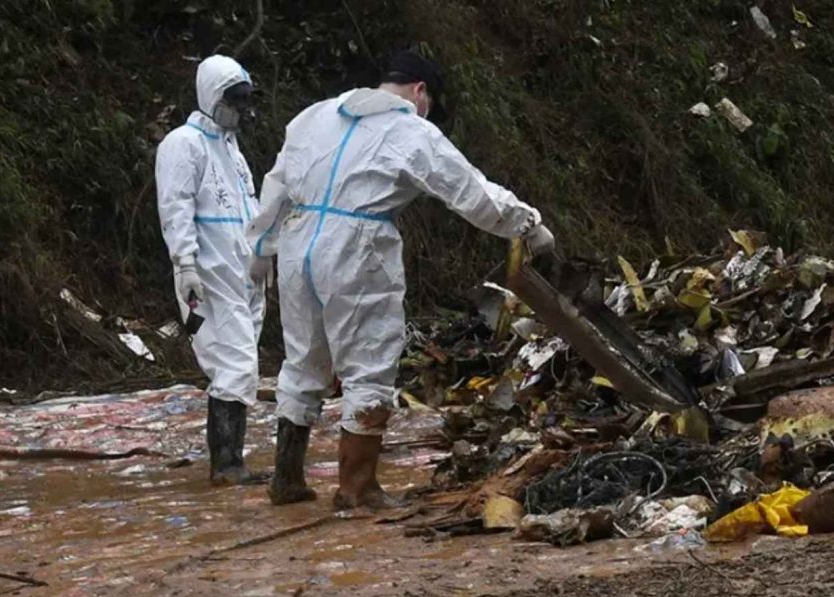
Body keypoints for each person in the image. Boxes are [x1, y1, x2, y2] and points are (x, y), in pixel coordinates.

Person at [246, 49, 556, 510]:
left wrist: (261, 246)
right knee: (369, 361)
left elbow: (276, 184)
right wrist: (527, 224)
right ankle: (357, 489)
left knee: (303, 361)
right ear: (419, 91)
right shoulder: (410, 130)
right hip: (356, 245)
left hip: (298, 242)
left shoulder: (316, 115)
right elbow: (470, 192)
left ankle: (287, 479)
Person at [155, 54, 266, 485]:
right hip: (209, 272)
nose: (240, 110)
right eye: (233, 100)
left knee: (241, 361)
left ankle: (231, 459)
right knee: (233, 362)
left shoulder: (231, 150)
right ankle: (226, 464)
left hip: (242, 273)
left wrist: (263, 255)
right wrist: (185, 263)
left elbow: (248, 206)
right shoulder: (184, 144)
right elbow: (176, 207)